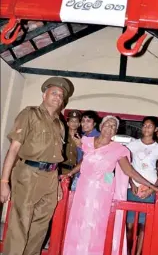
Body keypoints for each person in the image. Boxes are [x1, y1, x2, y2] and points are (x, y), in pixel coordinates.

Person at [63, 115, 158, 255]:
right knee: (79, 223)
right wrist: (69, 174)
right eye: (107, 124)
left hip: (102, 192)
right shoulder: (87, 141)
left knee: (97, 226)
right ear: (101, 126)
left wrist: (153, 187)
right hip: (84, 188)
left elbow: (129, 171)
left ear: (115, 131)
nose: (110, 128)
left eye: (113, 127)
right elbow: (85, 161)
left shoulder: (119, 149)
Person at [0, 77, 72, 255]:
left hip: (50, 177)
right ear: (44, 95)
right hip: (28, 174)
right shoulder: (29, 114)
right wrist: (3, 181)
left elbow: (55, 156)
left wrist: (56, 185)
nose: (57, 97)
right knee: (20, 224)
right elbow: (14, 148)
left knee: (40, 226)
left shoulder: (60, 124)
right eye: (54, 93)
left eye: (61, 95)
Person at [126, 116, 158, 255]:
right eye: (144, 125)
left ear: (155, 129)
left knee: (144, 226)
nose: (146, 128)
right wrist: (131, 184)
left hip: (150, 191)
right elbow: (127, 167)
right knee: (129, 226)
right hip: (133, 190)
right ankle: (128, 252)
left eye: (150, 126)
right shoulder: (133, 144)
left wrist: (151, 190)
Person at [71, 110, 100, 191]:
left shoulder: (98, 137)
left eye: (88, 121)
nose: (84, 124)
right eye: (83, 121)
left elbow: (90, 157)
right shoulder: (82, 136)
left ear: (94, 124)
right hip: (78, 175)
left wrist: (80, 145)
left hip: (90, 178)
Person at [61, 110, 82, 175]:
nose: (74, 123)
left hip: (75, 172)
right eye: (72, 121)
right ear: (67, 123)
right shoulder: (62, 136)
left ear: (79, 124)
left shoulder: (82, 139)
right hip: (61, 170)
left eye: (76, 121)